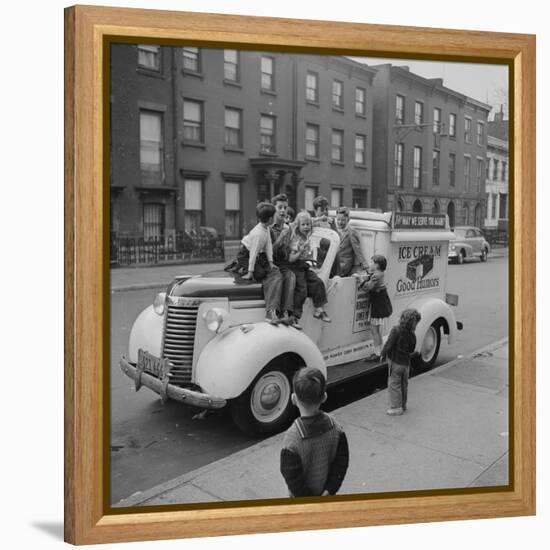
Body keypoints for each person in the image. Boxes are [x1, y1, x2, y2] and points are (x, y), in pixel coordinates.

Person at [280, 367, 349, 497]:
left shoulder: (292, 438)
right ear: (324, 397)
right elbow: (341, 463)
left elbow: (292, 478)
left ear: (293, 399)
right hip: (326, 494)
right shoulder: (336, 428)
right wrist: (329, 490)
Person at [230, 202, 283, 324]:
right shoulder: (258, 233)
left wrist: (271, 262)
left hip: (255, 253)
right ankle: (240, 267)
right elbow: (253, 254)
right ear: (270, 219)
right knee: (259, 275)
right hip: (245, 254)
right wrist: (250, 272)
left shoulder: (266, 229)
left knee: (266, 272)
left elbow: (269, 245)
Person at [289, 211, 331, 323]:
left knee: (318, 282)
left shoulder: (307, 234)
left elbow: (311, 220)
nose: (306, 227)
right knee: (301, 290)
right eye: (303, 225)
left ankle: (318, 309)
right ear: (298, 225)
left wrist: (320, 218)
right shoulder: (296, 239)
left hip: (304, 265)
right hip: (295, 266)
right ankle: (294, 316)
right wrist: (300, 251)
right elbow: (291, 258)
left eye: (308, 224)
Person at [380, 308, 421, 416]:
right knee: (404, 385)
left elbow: (389, 344)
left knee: (394, 385)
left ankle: (396, 407)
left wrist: (383, 354)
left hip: (395, 363)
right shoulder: (412, 335)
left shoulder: (396, 330)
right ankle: (403, 405)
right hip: (406, 365)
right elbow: (412, 350)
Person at [270, 194, 300, 329]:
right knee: (278, 277)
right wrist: (280, 237)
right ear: (274, 209)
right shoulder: (269, 227)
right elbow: (268, 250)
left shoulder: (288, 228)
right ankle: (273, 312)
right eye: (280, 207)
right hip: (269, 262)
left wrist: (294, 248)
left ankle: (286, 312)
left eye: (285, 208)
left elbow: (287, 252)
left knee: (291, 276)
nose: (283, 211)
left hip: (282, 262)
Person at [361, 254, 392, 360]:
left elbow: (368, 287)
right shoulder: (379, 273)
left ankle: (378, 353)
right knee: (377, 330)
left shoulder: (376, 275)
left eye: (372, 262)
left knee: (375, 329)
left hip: (378, 304)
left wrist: (360, 280)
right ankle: (380, 352)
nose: (370, 264)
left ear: (377, 265)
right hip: (381, 302)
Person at [335, 206, 368, 277]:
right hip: (336, 262)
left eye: (343, 220)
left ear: (348, 220)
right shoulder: (336, 231)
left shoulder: (352, 232)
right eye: (338, 220)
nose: (340, 222)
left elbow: (357, 250)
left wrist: (365, 265)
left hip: (344, 264)